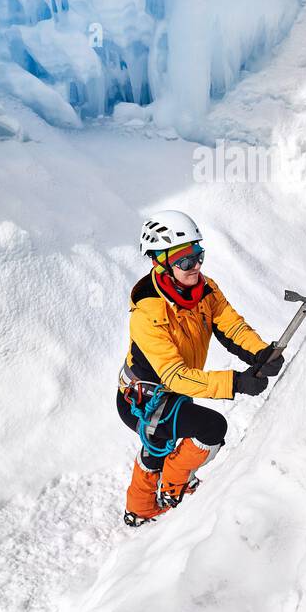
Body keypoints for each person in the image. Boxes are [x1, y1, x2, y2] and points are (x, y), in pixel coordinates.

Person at [117, 210, 282, 526]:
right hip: (143, 400)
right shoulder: (147, 313)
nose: (196, 267)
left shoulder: (205, 290)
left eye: (199, 255)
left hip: (174, 393)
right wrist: (235, 383)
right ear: (160, 263)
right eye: (185, 261)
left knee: (165, 443)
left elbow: (229, 325)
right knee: (205, 431)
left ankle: (164, 487)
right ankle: (163, 494)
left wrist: (259, 352)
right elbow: (174, 375)